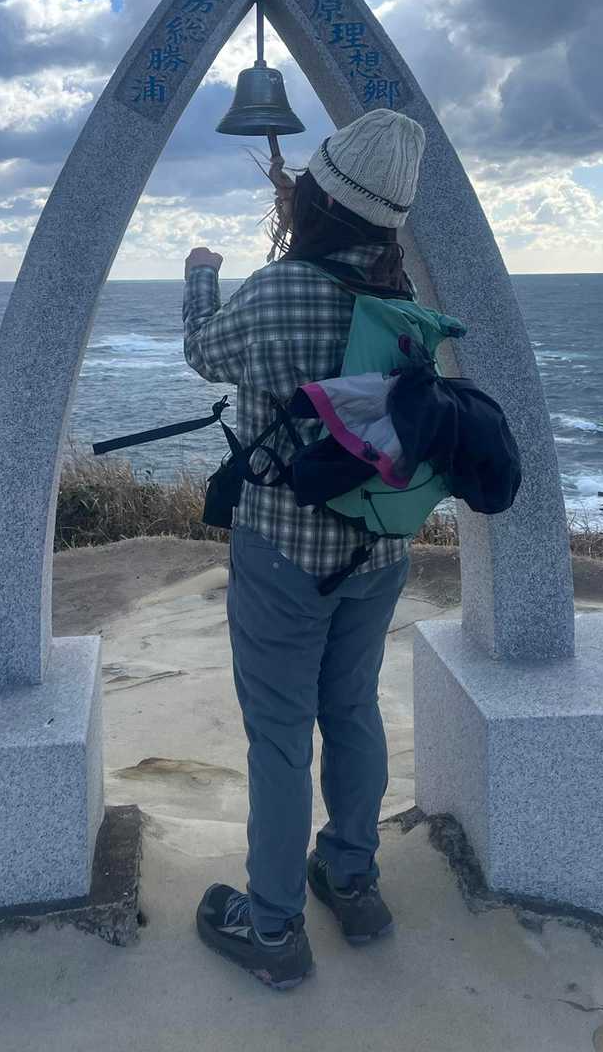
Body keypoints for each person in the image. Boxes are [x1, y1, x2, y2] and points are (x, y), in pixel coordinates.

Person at [182, 107, 427, 991]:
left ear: (318, 196)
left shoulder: (279, 289)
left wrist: (201, 274)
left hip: (284, 549)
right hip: (379, 551)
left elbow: (204, 352)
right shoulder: (403, 304)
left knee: (281, 736)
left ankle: (275, 928)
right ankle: (352, 884)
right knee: (352, 710)